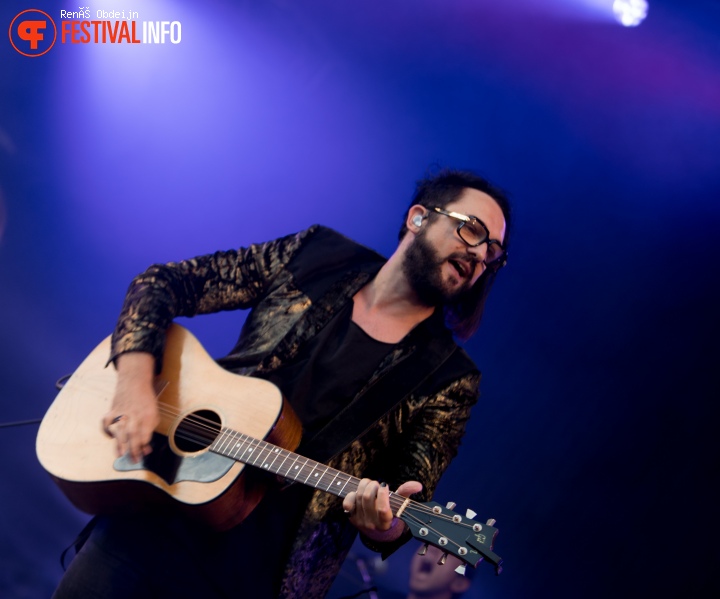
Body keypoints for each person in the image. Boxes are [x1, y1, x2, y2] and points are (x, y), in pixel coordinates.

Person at [52, 168, 511, 599]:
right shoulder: (316, 256)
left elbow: (403, 503)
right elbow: (162, 284)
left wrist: (384, 523)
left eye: (492, 252)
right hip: (150, 518)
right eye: (471, 229)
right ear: (418, 218)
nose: (478, 254)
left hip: (253, 581)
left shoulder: (449, 378)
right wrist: (134, 383)